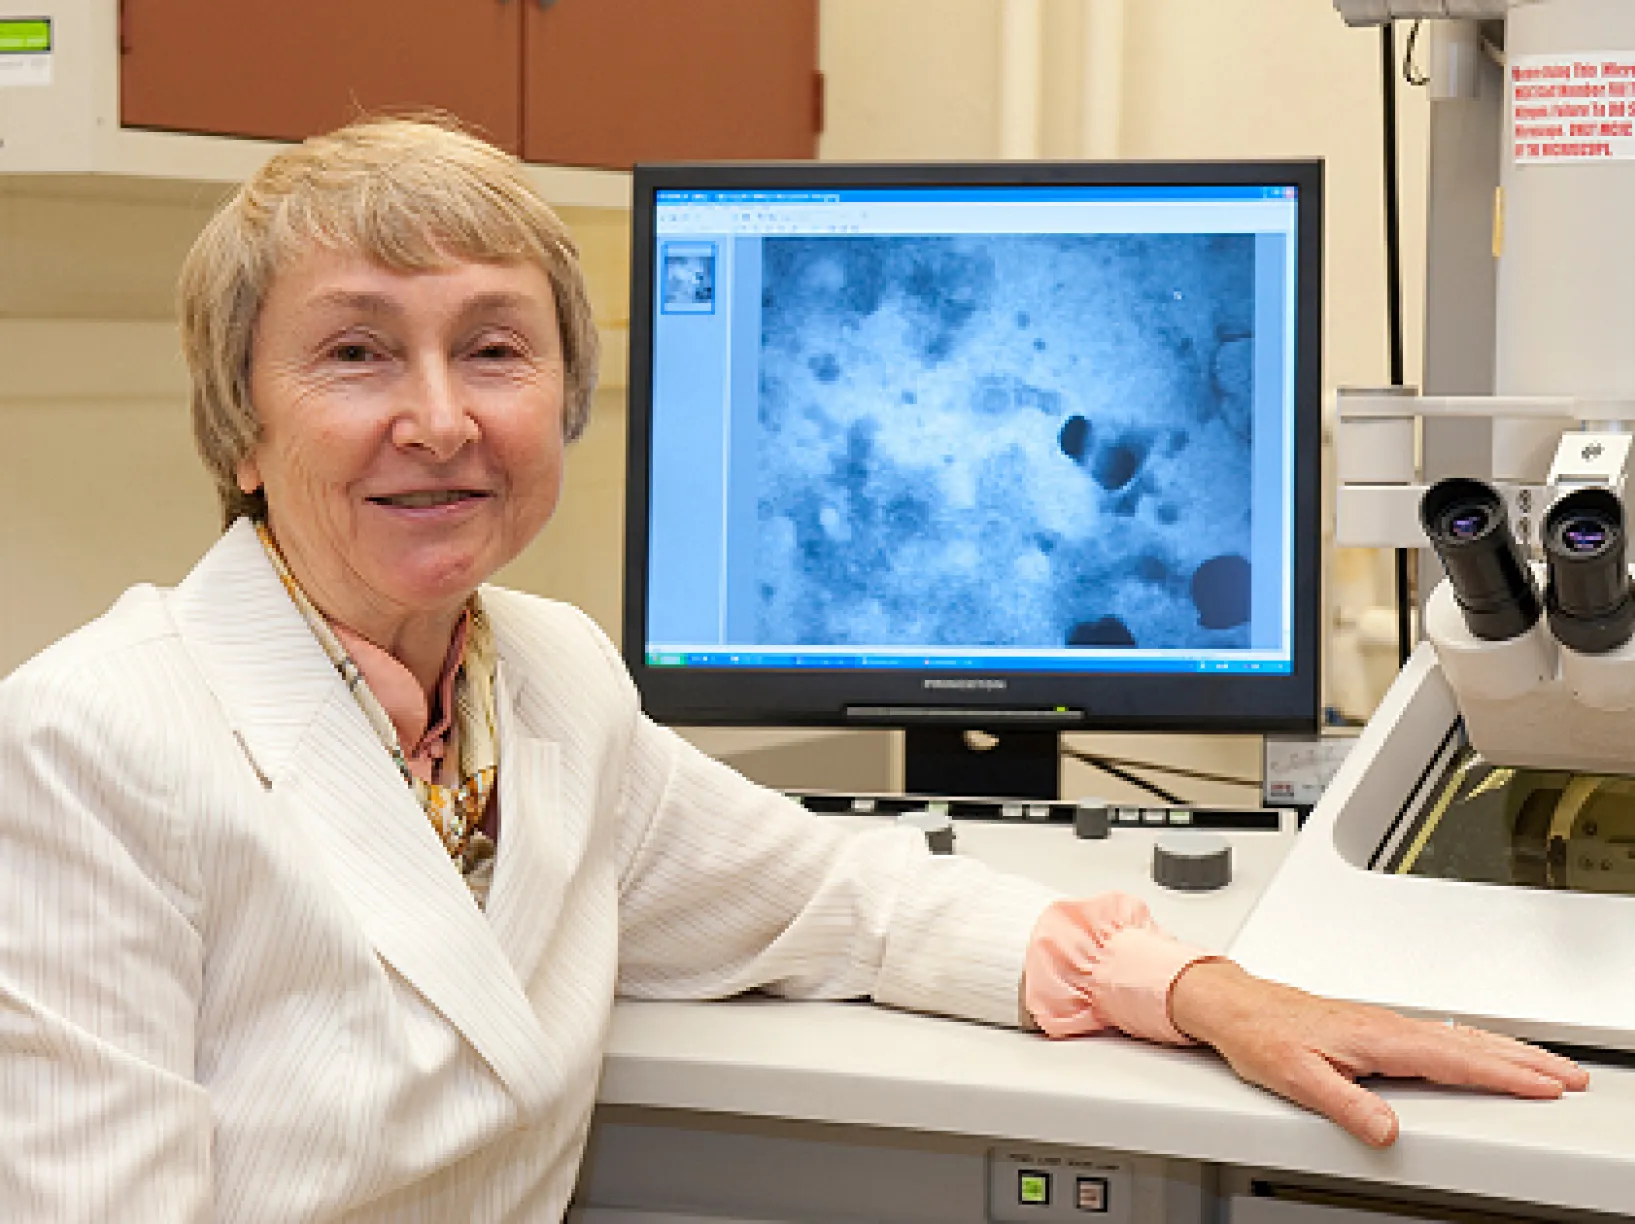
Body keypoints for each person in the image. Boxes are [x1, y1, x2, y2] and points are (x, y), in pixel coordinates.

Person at [0, 117, 1583, 1222]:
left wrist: (1208, 985)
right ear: (235, 425)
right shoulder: (92, 743)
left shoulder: (542, 680)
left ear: (567, 402)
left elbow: (843, 901)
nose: (438, 417)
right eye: (354, 352)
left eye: (493, 348)